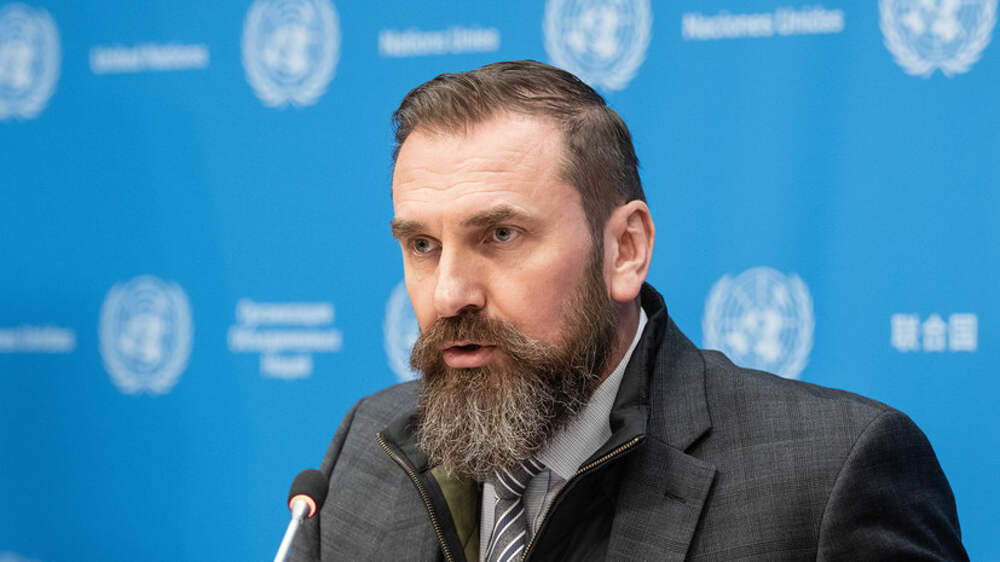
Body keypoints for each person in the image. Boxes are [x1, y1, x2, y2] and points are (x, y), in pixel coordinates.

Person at [289, 60, 966, 561]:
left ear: (625, 250)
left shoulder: (829, 479)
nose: (448, 294)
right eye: (422, 245)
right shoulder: (365, 449)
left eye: (500, 235)